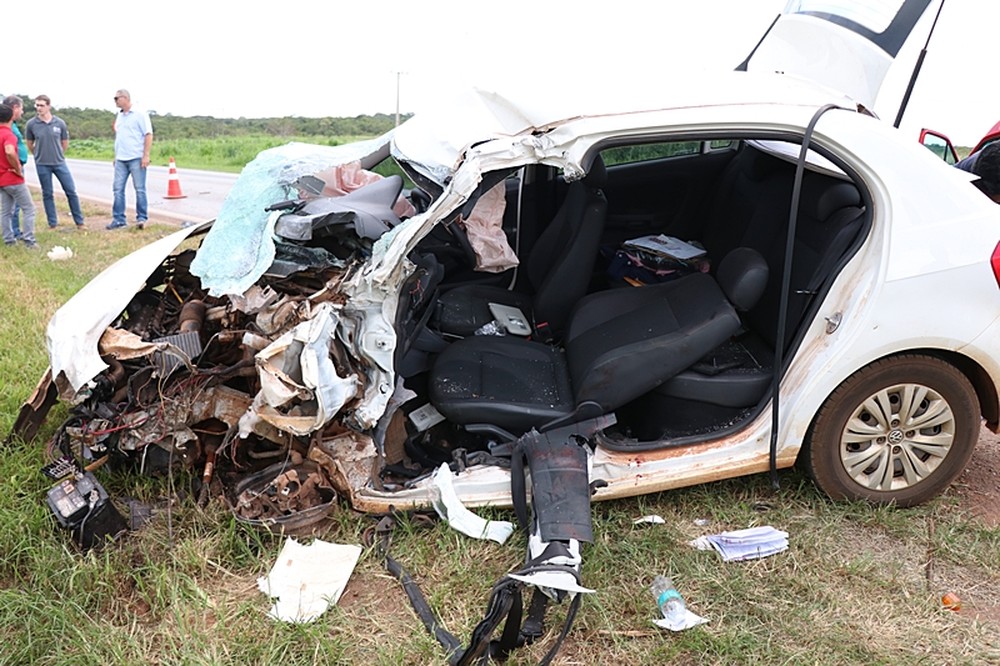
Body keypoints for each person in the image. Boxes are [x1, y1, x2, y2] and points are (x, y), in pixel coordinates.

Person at [25, 95, 85, 229]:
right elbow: (30, 143)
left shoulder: (59, 123)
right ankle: (52, 223)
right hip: (42, 163)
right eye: (37, 105)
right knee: (47, 193)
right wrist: (37, 154)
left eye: (41, 105)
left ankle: (79, 222)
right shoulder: (31, 124)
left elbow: (64, 142)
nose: (39, 108)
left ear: (48, 106)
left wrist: (58, 153)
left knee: (70, 190)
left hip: (59, 162)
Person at [109, 89, 153, 230]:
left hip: (136, 157)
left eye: (117, 98)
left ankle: (142, 218)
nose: (115, 101)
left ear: (125, 98)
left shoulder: (140, 114)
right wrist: (116, 156)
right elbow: (120, 137)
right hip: (121, 158)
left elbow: (148, 134)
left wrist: (145, 155)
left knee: (139, 189)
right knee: (117, 189)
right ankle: (119, 219)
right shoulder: (120, 116)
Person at [0, 103, 38, 248]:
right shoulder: (8, 134)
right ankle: (29, 240)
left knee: (5, 211)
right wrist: (16, 168)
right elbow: (9, 151)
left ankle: (9, 240)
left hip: (2, 178)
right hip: (12, 178)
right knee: (29, 208)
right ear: (11, 117)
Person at [2, 95, 28, 239]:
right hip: (11, 169)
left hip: (10, 168)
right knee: (25, 207)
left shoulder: (12, 125)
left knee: (7, 207)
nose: (22, 112)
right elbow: (9, 150)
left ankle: (10, 235)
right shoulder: (7, 128)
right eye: (21, 109)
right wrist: (17, 168)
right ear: (15, 108)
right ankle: (18, 234)